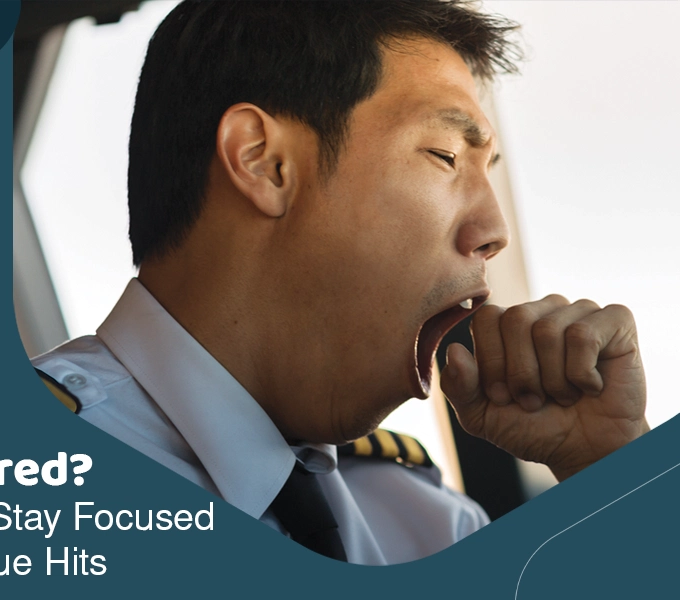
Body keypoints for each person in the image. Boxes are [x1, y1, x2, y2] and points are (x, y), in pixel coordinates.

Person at [32, 0, 649, 564]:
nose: (493, 232)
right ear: (263, 161)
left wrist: (608, 471)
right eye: (445, 156)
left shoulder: (426, 523)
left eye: (488, 171)